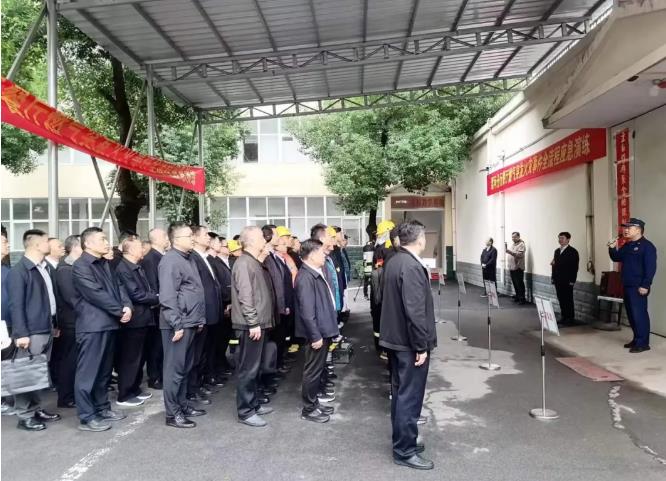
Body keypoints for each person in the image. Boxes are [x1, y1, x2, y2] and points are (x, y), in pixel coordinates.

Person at [379, 220, 437, 470]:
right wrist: (421, 345)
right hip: (408, 343)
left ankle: (403, 441)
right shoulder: (411, 266)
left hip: (395, 339)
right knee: (409, 397)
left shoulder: (395, 261)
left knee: (400, 394)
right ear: (420, 239)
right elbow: (415, 311)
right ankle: (404, 450)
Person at [72, 227, 132, 432]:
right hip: (92, 327)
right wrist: (119, 310)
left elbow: (119, 287)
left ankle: (102, 408)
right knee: (88, 374)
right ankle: (87, 416)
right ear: (87, 243)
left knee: (104, 372)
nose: (107, 242)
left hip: (109, 324)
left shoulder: (105, 263)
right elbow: (94, 293)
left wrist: (127, 306)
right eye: (102, 239)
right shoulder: (81, 266)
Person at [7, 229, 62, 431]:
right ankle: (25, 416)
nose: (50, 244)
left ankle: (36, 409)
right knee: (26, 373)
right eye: (47, 241)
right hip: (31, 331)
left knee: (38, 371)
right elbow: (16, 305)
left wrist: (54, 324)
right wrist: (21, 334)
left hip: (46, 327)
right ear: (37, 245)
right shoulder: (20, 271)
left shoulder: (43, 268)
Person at [159, 222, 207, 428]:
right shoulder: (170, 260)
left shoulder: (188, 258)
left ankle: (183, 405)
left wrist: (199, 319)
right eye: (189, 236)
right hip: (178, 324)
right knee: (174, 370)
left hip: (191, 321)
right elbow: (168, 296)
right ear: (177, 240)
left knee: (185, 368)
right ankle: (173, 414)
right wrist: (176, 324)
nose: (193, 238)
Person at [232, 226, 276, 427]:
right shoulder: (243, 263)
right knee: (248, 369)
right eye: (260, 237)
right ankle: (245, 412)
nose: (264, 240)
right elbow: (245, 296)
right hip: (251, 325)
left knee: (255, 368)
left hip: (258, 324)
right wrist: (253, 322)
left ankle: (254, 404)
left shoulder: (252, 262)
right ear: (250, 241)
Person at [295, 239, 339, 423]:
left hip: (322, 330)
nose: (325, 255)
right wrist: (315, 336)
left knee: (318, 370)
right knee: (312, 371)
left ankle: (314, 403)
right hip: (317, 333)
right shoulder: (305, 277)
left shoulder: (313, 272)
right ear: (312, 255)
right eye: (321, 252)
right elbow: (307, 311)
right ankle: (309, 408)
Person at [114, 235, 159, 407]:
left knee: (138, 358)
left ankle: (134, 389)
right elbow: (136, 294)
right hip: (134, 320)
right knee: (130, 358)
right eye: (140, 246)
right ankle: (125, 394)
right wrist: (157, 298)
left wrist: (153, 296)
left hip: (143, 318)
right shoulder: (123, 268)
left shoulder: (136, 266)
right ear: (131, 250)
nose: (143, 249)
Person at [608, 218, 657, 353]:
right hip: (627, 285)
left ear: (638, 229)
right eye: (625, 227)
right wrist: (612, 248)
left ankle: (643, 343)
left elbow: (650, 268)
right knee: (631, 314)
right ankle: (636, 339)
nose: (626, 230)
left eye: (629, 227)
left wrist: (645, 285)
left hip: (638, 286)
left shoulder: (647, 246)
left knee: (639, 314)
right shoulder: (628, 245)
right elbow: (617, 257)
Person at [188, 225, 222, 402]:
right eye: (205, 234)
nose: (209, 237)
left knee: (204, 352)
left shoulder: (204, 257)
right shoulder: (193, 258)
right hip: (201, 314)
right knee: (196, 354)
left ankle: (200, 383)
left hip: (211, 313)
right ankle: (192, 389)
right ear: (194, 237)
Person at [54, 235, 83, 409]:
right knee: (69, 360)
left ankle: (73, 393)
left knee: (76, 359)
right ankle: (65, 397)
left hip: (78, 319)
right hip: (70, 321)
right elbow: (71, 297)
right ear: (75, 247)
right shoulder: (65, 269)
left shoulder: (75, 266)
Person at [140, 228, 170, 390]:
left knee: (161, 345)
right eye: (164, 236)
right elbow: (153, 285)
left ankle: (161, 374)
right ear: (156, 239)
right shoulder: (151, 258)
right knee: (156, 345)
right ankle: (155, 377)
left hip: (163, 306)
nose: (167, 239)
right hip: (157, 308)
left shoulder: (161, 256)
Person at [207, 233, 234, 378]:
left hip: (226, 304)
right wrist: (226, 303)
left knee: (222, 340)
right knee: (216, 342)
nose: (227, 248)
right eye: (221, 243)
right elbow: (218, 285)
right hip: (221, 305)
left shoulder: (219, 261)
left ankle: (220, 365)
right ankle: (214, 369)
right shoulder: (211, 261)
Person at [551, 232, 580, 325]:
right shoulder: (557, 251)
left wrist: (572, 280)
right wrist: (553, 277)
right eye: (559, 238)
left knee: (568, 299)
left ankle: (570, 318)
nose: (560, 240)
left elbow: (575, 267)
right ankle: (564, 316)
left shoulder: (573, 251)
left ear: (568, 239)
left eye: (562, 238)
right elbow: (554, 265)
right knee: (561, 298)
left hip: (567, 280)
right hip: (558, 279)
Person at [506, 232, 527, 304]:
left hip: (518, 267)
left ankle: (522, 298)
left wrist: (509, 251)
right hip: (512, 267)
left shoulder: (521, 244)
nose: (513, 238)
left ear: (518, 237)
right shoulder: (513, 244)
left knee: (519, 283)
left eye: (514, 237)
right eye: (512, 237)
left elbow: (520, 255)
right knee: (515, 283)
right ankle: (518, 296)